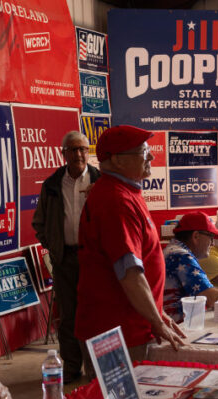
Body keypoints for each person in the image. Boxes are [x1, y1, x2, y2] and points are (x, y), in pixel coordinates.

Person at [75, 125, 185, 366]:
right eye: (143, 151)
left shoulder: (124, 193)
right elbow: (129, 273)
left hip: (129, 326)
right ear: (116, 160)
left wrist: (157, 314)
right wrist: (155, 320)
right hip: (117, 332)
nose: (151, 156)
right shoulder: (117, 201)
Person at [32, 131, 100, 384]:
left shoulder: (100, 181)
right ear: (64, 154)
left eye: (83, 149)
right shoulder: (52, 184)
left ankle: (96, 367)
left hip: (94, 259)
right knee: (69, 316)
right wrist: (55, 247)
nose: (79, 154)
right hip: (65, 259)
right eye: (73, 150)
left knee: (94, 314)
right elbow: (39, 222)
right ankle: (72, 368)